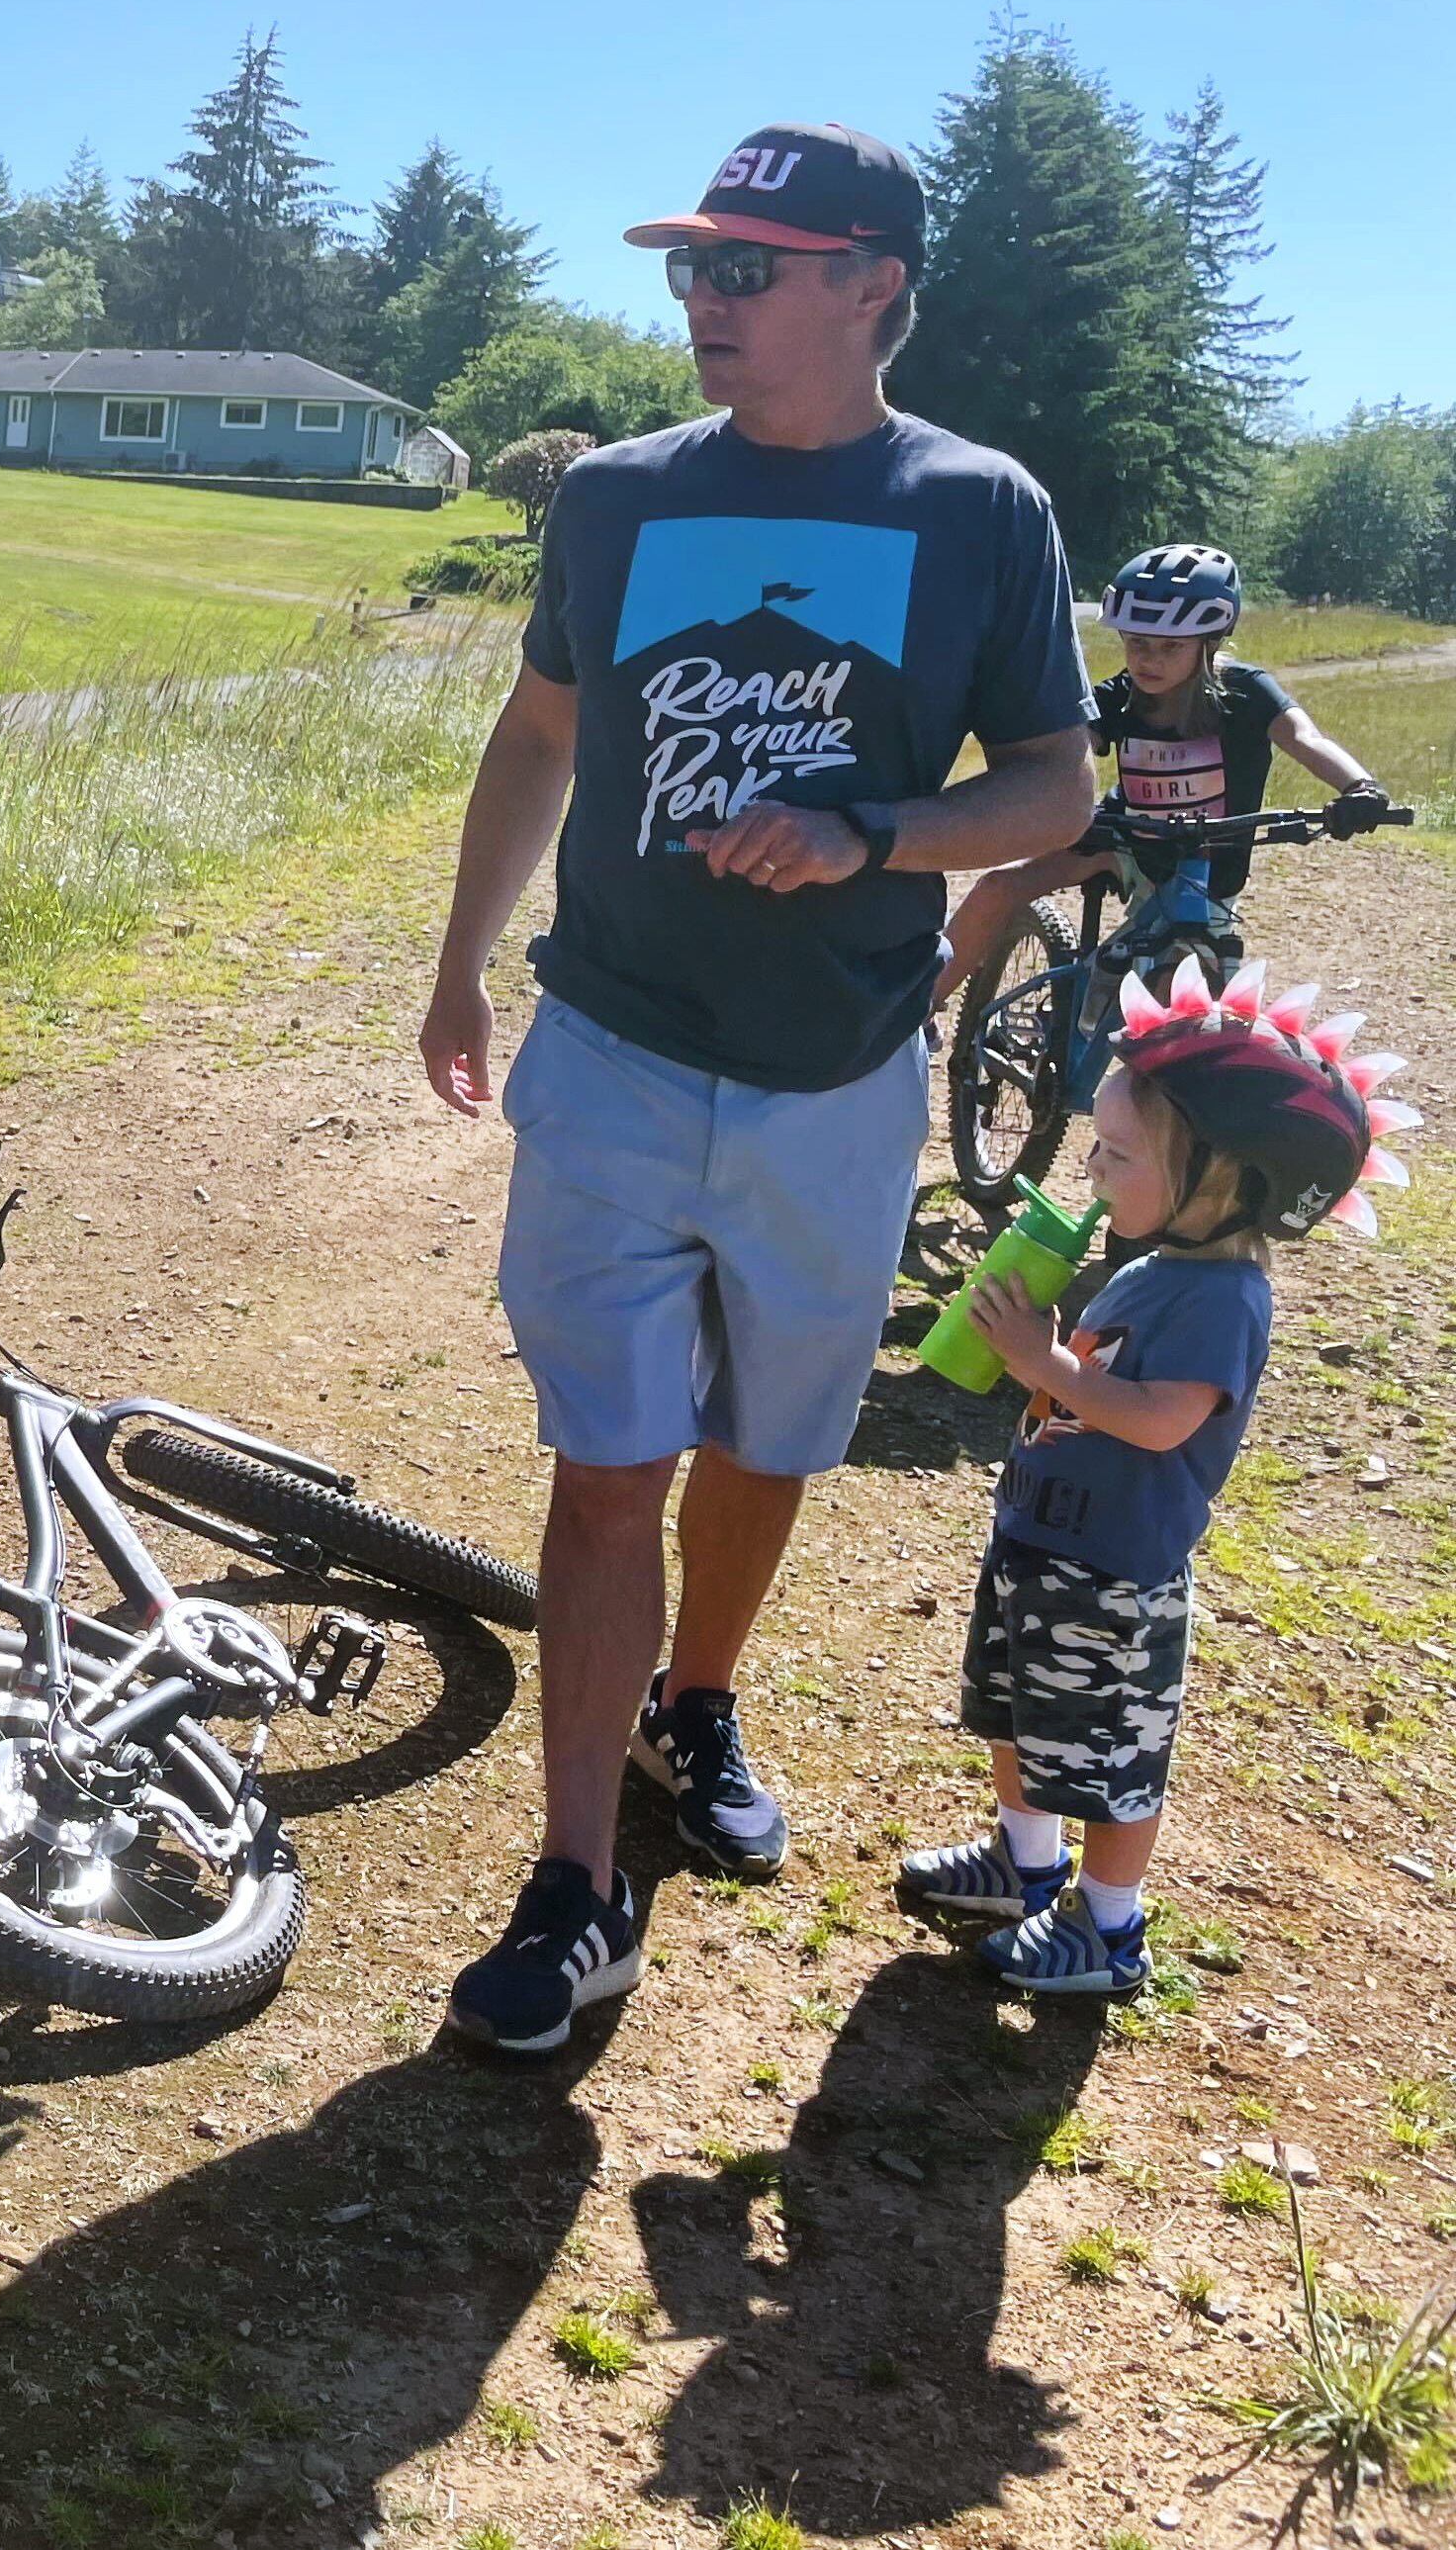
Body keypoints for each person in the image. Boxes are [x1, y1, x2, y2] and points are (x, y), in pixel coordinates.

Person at [415, 125, 1101, 2052]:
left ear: (874, 282)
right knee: (606, 1468)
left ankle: (695, 1702)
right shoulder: (620, 501)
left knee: (772, 1447)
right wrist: (462, 953)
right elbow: (543, 724)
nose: (701, 302)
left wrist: (877, 829)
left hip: (837, 1082)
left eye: (747, 269)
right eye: (691, 269)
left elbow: (1053, 787)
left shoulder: (980, 511)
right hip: (615, 1054)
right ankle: (573, 1886)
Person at [896, 956, 1414, 1993]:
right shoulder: (1146, 1265)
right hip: (1042, 1543)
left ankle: (1109, 1925)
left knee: (1112, 1766)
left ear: (1220, 1178)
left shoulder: (1221, 1300)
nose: (1093, 1171)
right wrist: (1030, 1354)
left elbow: (1161, 1419)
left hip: (1116, 1579)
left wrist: (1044, 1367)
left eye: (1119, 1154)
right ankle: (1023, 1867)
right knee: (1019, 1718)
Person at [936, 543, 1394, 1007]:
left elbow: (1304, 738)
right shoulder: (1121, 696)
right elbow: (1066, 747)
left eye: (1170, 647)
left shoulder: (1247, 695)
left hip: (1208, 872)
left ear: (1209, 642)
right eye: (1137, 643)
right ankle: (911, 1014)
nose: (1148, 660)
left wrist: (1360, 787)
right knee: (998, 888)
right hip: (1126, 844)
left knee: (1181, 1000)